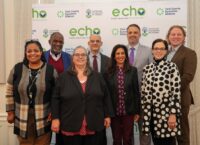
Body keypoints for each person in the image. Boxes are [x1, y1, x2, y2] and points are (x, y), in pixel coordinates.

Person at [51, 46, 114, 145]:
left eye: (83, 54)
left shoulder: (97, 76)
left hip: (94, 123)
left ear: (87, 57)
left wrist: (107, 115)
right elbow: (55, 99)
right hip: (69, 123)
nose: (80, 57)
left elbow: (106, 97)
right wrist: (55, 118)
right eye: (77, 54)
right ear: (72, 58)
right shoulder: (63, 77)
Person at [6, 40, 57, 145]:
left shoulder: (51, 70)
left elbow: (57, 94)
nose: (32, 53)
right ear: (25, 53)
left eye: (36, 51)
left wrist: (54, 111)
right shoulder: (17, 68)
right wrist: (10, 112)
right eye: (29, 51)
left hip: (44, 117)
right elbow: (9, 90)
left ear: (41, 52)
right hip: (21, 117)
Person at [141, 38, 181, 145]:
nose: (159, 51)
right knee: (156, 142)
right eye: (156, 48)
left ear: (166, 51)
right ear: (152, 51)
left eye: (162, 49)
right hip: (151, 115)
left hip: (166, 115)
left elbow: (176, 93)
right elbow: (144, 92)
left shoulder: (172, 67)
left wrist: (173, 114)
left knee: (168, 142)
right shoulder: (147, 69)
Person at [166, 25, 197, 145]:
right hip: (164, 101)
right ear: (168, 37)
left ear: (184, 37)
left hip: (180, 99)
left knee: (181, 135)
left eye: (179, 34)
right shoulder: (165, 52)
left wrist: (170, 91)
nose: (175, 37)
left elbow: (188, 76)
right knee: (168, 134)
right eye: (173, 34)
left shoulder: (189, 53)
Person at [104, 44, 140, 145]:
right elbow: (106, 95)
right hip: (114, 112)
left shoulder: (133, 70)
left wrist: (137, 111)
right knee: (117, 139)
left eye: (122, 53)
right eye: (118, 53)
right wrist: (107, 112)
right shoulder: (107, 72)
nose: (120, 56)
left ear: (126, 55)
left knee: (128, 138)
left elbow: (136, 92)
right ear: (114, 56)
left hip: (128, 111)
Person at [126, 24, 153, 145]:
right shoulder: (121, 51)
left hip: (144, 96)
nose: (132, 34)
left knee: (144, 129)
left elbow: (153, 72)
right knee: (127, 130)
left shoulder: (148, 51)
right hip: (126, 98)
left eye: (135, 32)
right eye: (130, 32)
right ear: (127, 34)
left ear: (140, 34)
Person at [44, 32, 71, 145]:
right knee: (45, 137)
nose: (58, 44)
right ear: (49, 42)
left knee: (62, 137)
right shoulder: (41, 56)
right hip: (44, 102)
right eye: (55, 41)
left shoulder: (69, 58)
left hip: (63, 103)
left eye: (60, 42)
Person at [88, 34, 110, 145]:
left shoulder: (108, 60)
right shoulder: (82, 59)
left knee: (100, 135)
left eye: (97, 41)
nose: (95, 43)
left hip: (102, 103)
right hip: (86, 102)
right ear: (89, 43)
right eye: (92, 41)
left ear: (101, 43)